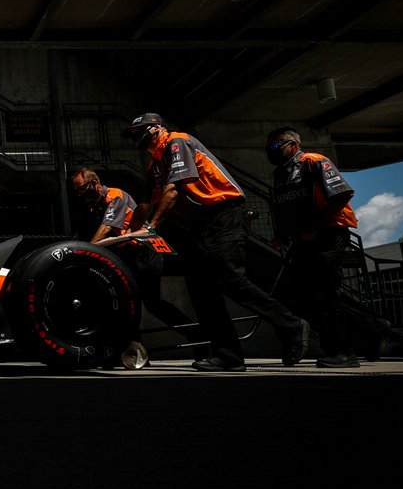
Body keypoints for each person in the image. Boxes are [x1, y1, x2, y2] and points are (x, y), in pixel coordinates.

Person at [123, 113, 307, 372]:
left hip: (224, 212)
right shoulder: (154, 163)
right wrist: (132, 232)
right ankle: (228, 354)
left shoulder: (177, 142)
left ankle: (290, 324)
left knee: (228, 278)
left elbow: (173, 190)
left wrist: (152, 227)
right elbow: (148, 202)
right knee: (199, 287)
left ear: (156, 128)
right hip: (200, 222)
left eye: (138, 131)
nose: (135, 138)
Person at [266, 127, 365, 368]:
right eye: (269, 147)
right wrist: (281, 233)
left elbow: (342, 194)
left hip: (328, 233)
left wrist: (316, 226)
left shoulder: (314, 161)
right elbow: (284, 205)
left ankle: (343, 352)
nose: (272, 151)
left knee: (325, 293)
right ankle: (372, 327)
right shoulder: (280, 173)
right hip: (301, 238)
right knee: (300, 295)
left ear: (293, 145)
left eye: (276, 145)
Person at [69, 167, 196, 343]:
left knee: (151, 304)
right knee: (125, 301)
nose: (79, 194)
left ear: (95, 183)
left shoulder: (115, 196)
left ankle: (199, 337)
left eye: (81, 188)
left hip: (144, 253)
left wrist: (86, 253)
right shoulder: (95, 205)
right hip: (127, 255)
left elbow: (106, 228)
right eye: (77, 190)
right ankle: (132, 349)